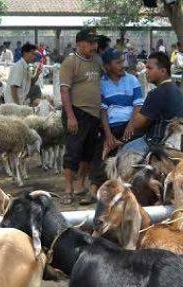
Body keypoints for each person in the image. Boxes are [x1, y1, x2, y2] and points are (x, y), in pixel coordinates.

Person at [86, 48, 144, 204]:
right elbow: (103, 110)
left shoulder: (132, 80)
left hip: (130, 124)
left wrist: (131, 126)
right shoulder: (102, 83)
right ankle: (95, 189)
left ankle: (131, 189)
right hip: (111, 126)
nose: (122, 65)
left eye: (122, 61)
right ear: (107, 66)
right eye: (118, 62)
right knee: (100, 153)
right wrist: (108, 134)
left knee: (132, 152)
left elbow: (138, 106)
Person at [59, 28, 102, 205]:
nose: (94, 46)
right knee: (73, 152)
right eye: (90, 43)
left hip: (94, 114)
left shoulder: (96, 61)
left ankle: (80, 184)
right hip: (76, 112)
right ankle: (68, 189)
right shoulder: (71, 62)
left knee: (88, 153)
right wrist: (70, 116)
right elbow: (64, 90)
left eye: (95, 43)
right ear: (79, 44)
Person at [117, 51, 183, 157]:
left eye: (150, 68)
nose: (146, 71)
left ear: (163, 71)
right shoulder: (177, 90)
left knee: (123, 151)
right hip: (177, 143)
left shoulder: (157, 93)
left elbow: (137, 124)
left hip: (157, 143)